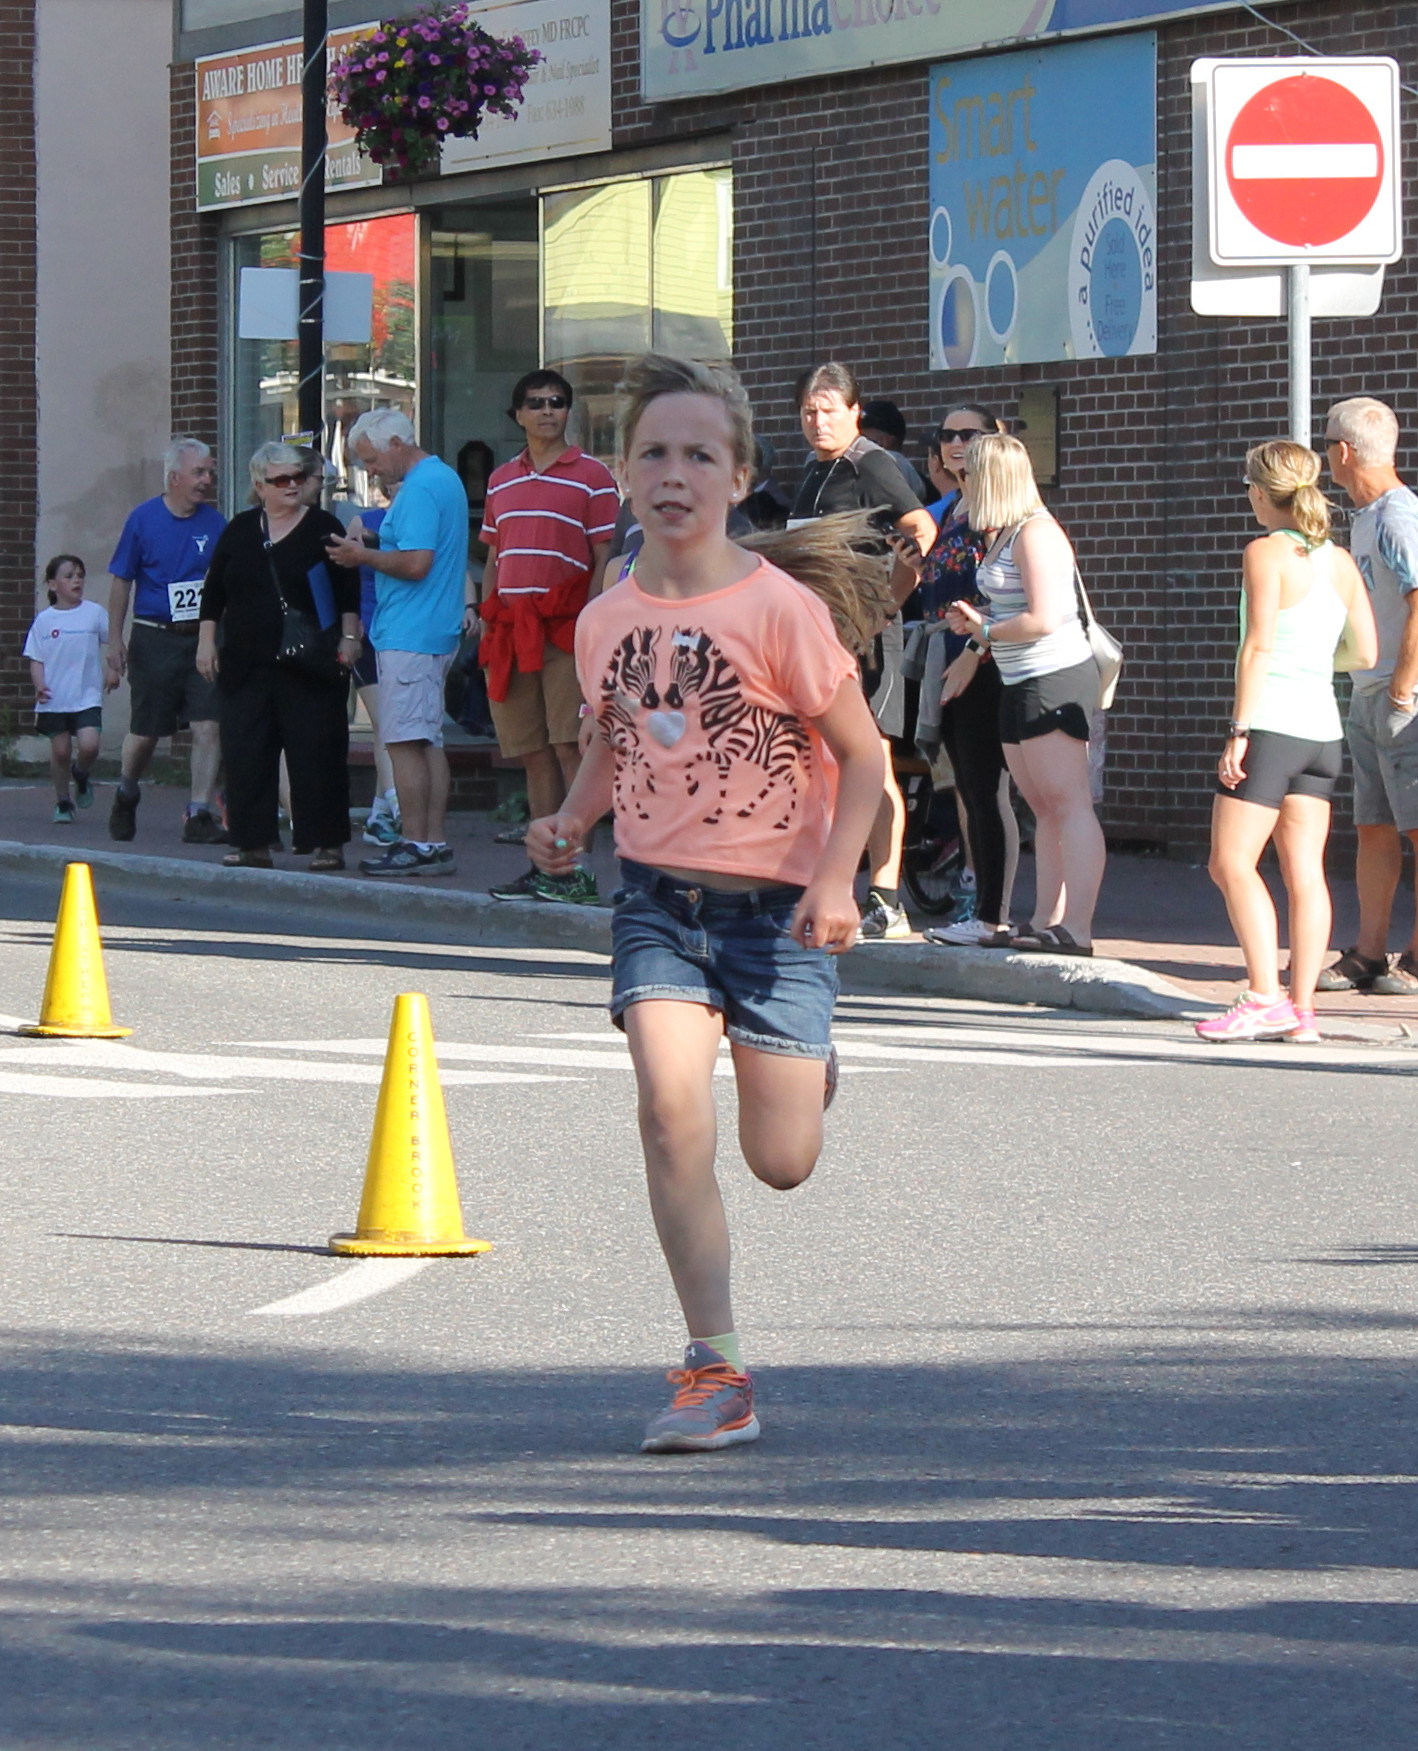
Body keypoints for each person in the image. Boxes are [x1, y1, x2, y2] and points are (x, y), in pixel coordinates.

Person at [527, 353, 886, 1453]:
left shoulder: (777, 610)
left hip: (776, 912)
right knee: (668, 1110)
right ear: (625, 474)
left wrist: (834, 879)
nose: (672, 473)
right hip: (658, 903)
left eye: (697, 454)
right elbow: (614, 738)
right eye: (652, 453)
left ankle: (806, 1063)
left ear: (737, 477)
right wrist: (573, 820)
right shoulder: (606, 617)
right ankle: (712, 1364)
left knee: (781, 1160)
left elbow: (864, 760)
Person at [1195, 442, 1377, 1044]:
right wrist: (1319, 660)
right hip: (1322, 730)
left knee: (1231, 863)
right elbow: (1366, 654)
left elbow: (1258, 646)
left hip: (1271, 724)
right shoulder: (1339, 561)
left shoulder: (1264, 552)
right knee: (1306, 873)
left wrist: (1238, 730)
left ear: (1258, 491)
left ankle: (1263, 996)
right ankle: (1302, 1011)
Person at [790, 362, 937, 940]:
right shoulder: (814, 470)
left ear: (855, 412)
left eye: (829, 410)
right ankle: (823, 881)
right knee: (818, 761)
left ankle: (887, 897)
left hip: (864, 640)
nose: (817, 421)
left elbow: (921, 532)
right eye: (808, 410)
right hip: (812, 638)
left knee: (869, 760)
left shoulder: (871, 464)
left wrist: (882, 606)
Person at [946, 433, 1104, 954]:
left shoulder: (1036, 533)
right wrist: (980, 624)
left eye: (970, 475)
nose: (963, 483)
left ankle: (1076, 928)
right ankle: (1044, 920)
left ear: (994, 478)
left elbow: (1043, 617)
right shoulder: (1004, 533)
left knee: (1070, 803)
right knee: (1043, 805)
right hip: (1018, 680)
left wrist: (985, 632)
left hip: (1053, 677)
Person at [474, 370, 618, 904]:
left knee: (568, 748)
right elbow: (495, 554)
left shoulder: (593, 476)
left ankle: (575, 867)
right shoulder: (502, 480)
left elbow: (606, 556)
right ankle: (544, 869)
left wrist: (596, 626)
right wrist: (488, 618)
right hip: (512, 630)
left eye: (557, 402)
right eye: (535, 403)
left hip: (565, 629)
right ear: (519, 414)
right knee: (532, 751)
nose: (547, 411)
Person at [195, 443, 362, 871]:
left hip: (310, 661)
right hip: (246, 662)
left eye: (298, 478)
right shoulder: (241, 528)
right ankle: (252, 841)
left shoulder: (323, 527)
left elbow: (348, 589)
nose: (292, 486)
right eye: (281, 480)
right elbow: (214, 590)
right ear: (259, 486)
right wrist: (206, 641)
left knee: (317, 748)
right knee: (246, 749)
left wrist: (349, 638)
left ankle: (326, 842)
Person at [325, 408, 469, 878]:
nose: (370, 470)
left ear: (394, 444)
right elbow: (414, 547)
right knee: (428, 738)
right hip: (431, 627)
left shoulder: (422, 487)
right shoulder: (440, 478)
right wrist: (373, 536)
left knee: (404, 741)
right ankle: (432, 841)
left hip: (412, 628)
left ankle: (418, 842)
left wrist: (360, 554)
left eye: (370, 459)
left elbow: (416, 563)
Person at [904, 407, 1019, 949]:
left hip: (988, 661)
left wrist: (978, 646)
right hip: (946, 658)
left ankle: (994, 910)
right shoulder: (953, 508)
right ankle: (982, 904)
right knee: (967, 788)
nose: (956, 443)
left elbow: (1004, 589)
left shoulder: (998, 512)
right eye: (947, 435)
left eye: (968, 434)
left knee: (989, 789)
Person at [1316, 398, 1418, 996]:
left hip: (1400, 697)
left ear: (1345, 451)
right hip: (1368, 692)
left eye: (1327, 443)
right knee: (1375, 825)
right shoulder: (1364, 516)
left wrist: (1404, 685)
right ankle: (1369, 952)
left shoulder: (1397, 515)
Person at [106, 438, 227, 844]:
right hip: (155, 636)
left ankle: (198, 813)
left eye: (209, 472)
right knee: (146, 731)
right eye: (199, 472)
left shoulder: (215, 524)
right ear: (174, 477)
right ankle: (126, 790)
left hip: (203, 639)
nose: (207, 480)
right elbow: (122, 580)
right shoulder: (143, 520)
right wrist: (115, 640)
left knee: (209, 724)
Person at [24, 555, 117, 824]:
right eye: (69, 576)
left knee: (89, 745)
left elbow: (113, 644)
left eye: (80, 575)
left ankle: (82, 772)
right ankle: (63, 801)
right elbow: (36, 658)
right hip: (55, 698)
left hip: (86, 696)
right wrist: (39, 686)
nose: (77, 580)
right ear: (53, 584)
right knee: (61, 751)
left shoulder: (94, 613)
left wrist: (113, 669)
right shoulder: (44, 620)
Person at [344, 489, 401, 849]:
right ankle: (400, 807)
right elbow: (345, 571)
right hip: (368, 630)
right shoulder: (364, 521)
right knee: (387, 724)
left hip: (408, 634)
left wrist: (468, 606)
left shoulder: (424, 526)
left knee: (398, 727)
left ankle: (380, 813)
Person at [859, 397, 929, 497]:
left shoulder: (884, 466)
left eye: (863, 439)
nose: (857, 444)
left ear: (883, 441)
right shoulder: (920, 480)